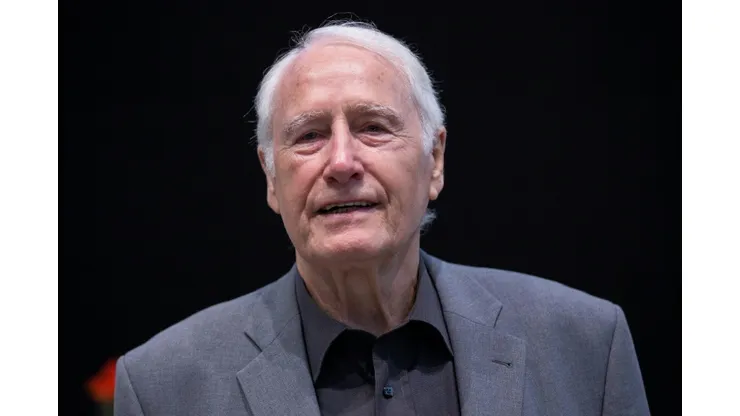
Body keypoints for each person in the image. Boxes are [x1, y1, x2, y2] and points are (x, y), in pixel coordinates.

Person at [114, 20, 650, 416]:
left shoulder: (584, 345)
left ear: (435, 161)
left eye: (373, 127)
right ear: (271, 179)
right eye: (309, 136)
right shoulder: (163, 386)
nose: (341, 162)